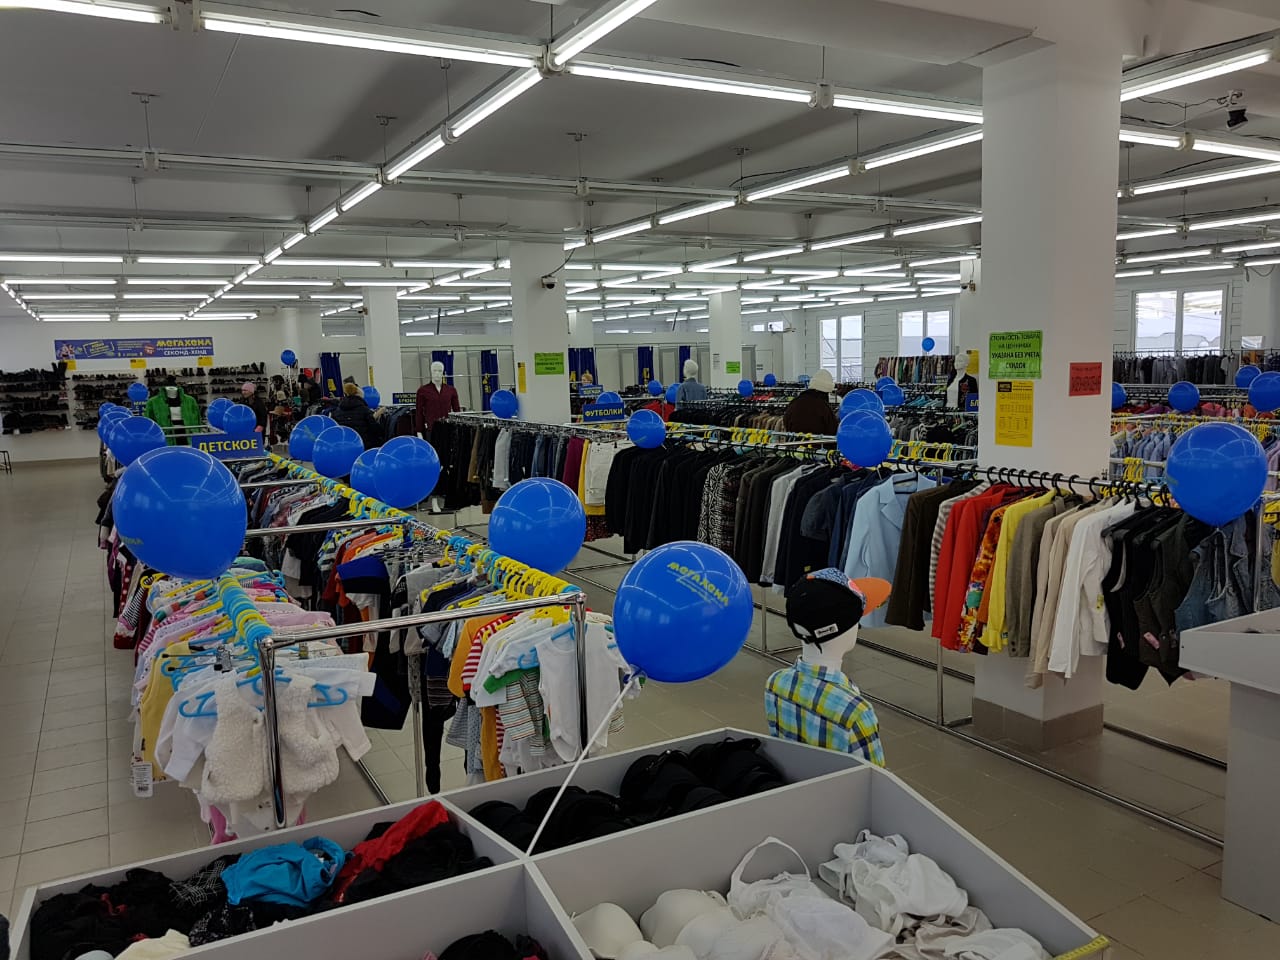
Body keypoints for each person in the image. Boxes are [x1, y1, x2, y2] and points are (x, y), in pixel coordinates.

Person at [783, 369, 839, 434]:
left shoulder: (794, 402)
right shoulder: (823, 407)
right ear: (826, 392)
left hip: (795, 440)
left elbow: (786, 421)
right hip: (819, 440)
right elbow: (833, 429)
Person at [332, 381, 382, 449]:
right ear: (359, 394)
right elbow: (375, 429)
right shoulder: (364, 409)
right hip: (364, 445)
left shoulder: (337, 410)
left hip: (344, 446)